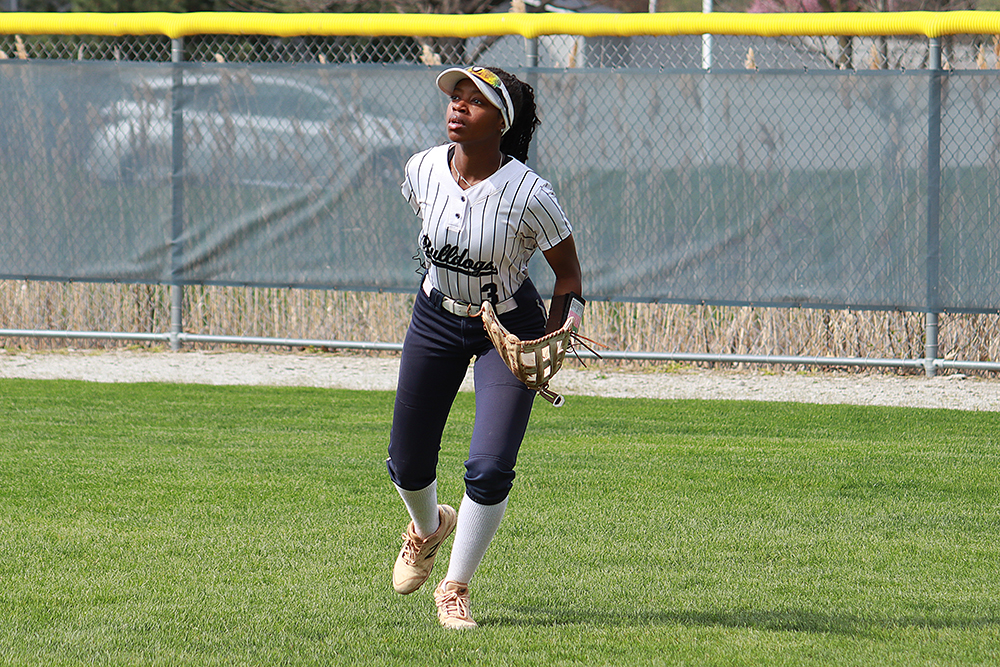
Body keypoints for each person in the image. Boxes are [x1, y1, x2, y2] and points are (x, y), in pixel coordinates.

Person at [387, 65, 584, 630]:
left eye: (474, 101)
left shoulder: (529, 192)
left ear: (502, 122)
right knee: (406, 462)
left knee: (491, 466)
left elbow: (569, 276)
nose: (457, 106)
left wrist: (550, 337)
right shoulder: (422, 169)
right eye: (456, 96)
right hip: (436, 317)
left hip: (508, 326)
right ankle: (428, 529)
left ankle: (454, 587)